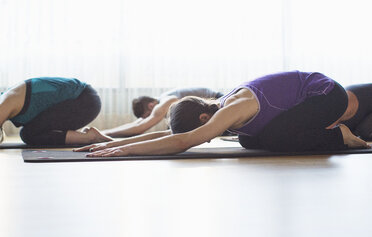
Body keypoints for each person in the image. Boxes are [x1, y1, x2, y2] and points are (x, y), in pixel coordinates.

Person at [75, 71, 370, 157]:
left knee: (276, 137)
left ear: (205, 119)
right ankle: (333, 135)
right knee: (250, 141)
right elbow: (173, 135)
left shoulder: (235, 108)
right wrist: (112, 143)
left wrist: (124, 151)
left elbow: (182, 141)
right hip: (309, 101)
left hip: (328, 95)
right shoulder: (218, 112)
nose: (205, 139)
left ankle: (340, 136)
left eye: (203, 133)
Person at [0, 77, 112, 145]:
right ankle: (86, 136)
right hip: (84, 99)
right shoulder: (7, 98)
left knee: (29, 134)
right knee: (29, 132)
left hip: (85, 101)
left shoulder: (5, 101)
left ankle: (88, 137)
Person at [102, 87, 224, 137]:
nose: (150, 119)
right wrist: (104, 133)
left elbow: (140, 128)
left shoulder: (165, 101)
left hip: (218, 103)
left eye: (148, 116)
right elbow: (137, 124)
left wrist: (103, 135)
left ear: (151, 106)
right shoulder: (161, 100)